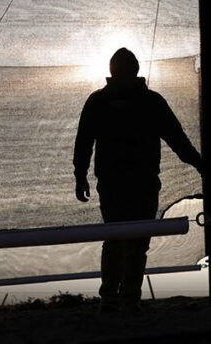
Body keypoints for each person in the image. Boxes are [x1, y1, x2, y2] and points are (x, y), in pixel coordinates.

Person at [73, 47, 202, 311]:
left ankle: (112, 298)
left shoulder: (99, 101)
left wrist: (80, 175)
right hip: (140, 183)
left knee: (116, 239)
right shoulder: (151, 101)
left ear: (111, 70)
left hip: (114, 184)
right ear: (136, 70)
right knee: (136, 241)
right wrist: (202, 165)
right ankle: (127, 297)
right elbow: (178, 141)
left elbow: (83, 142)